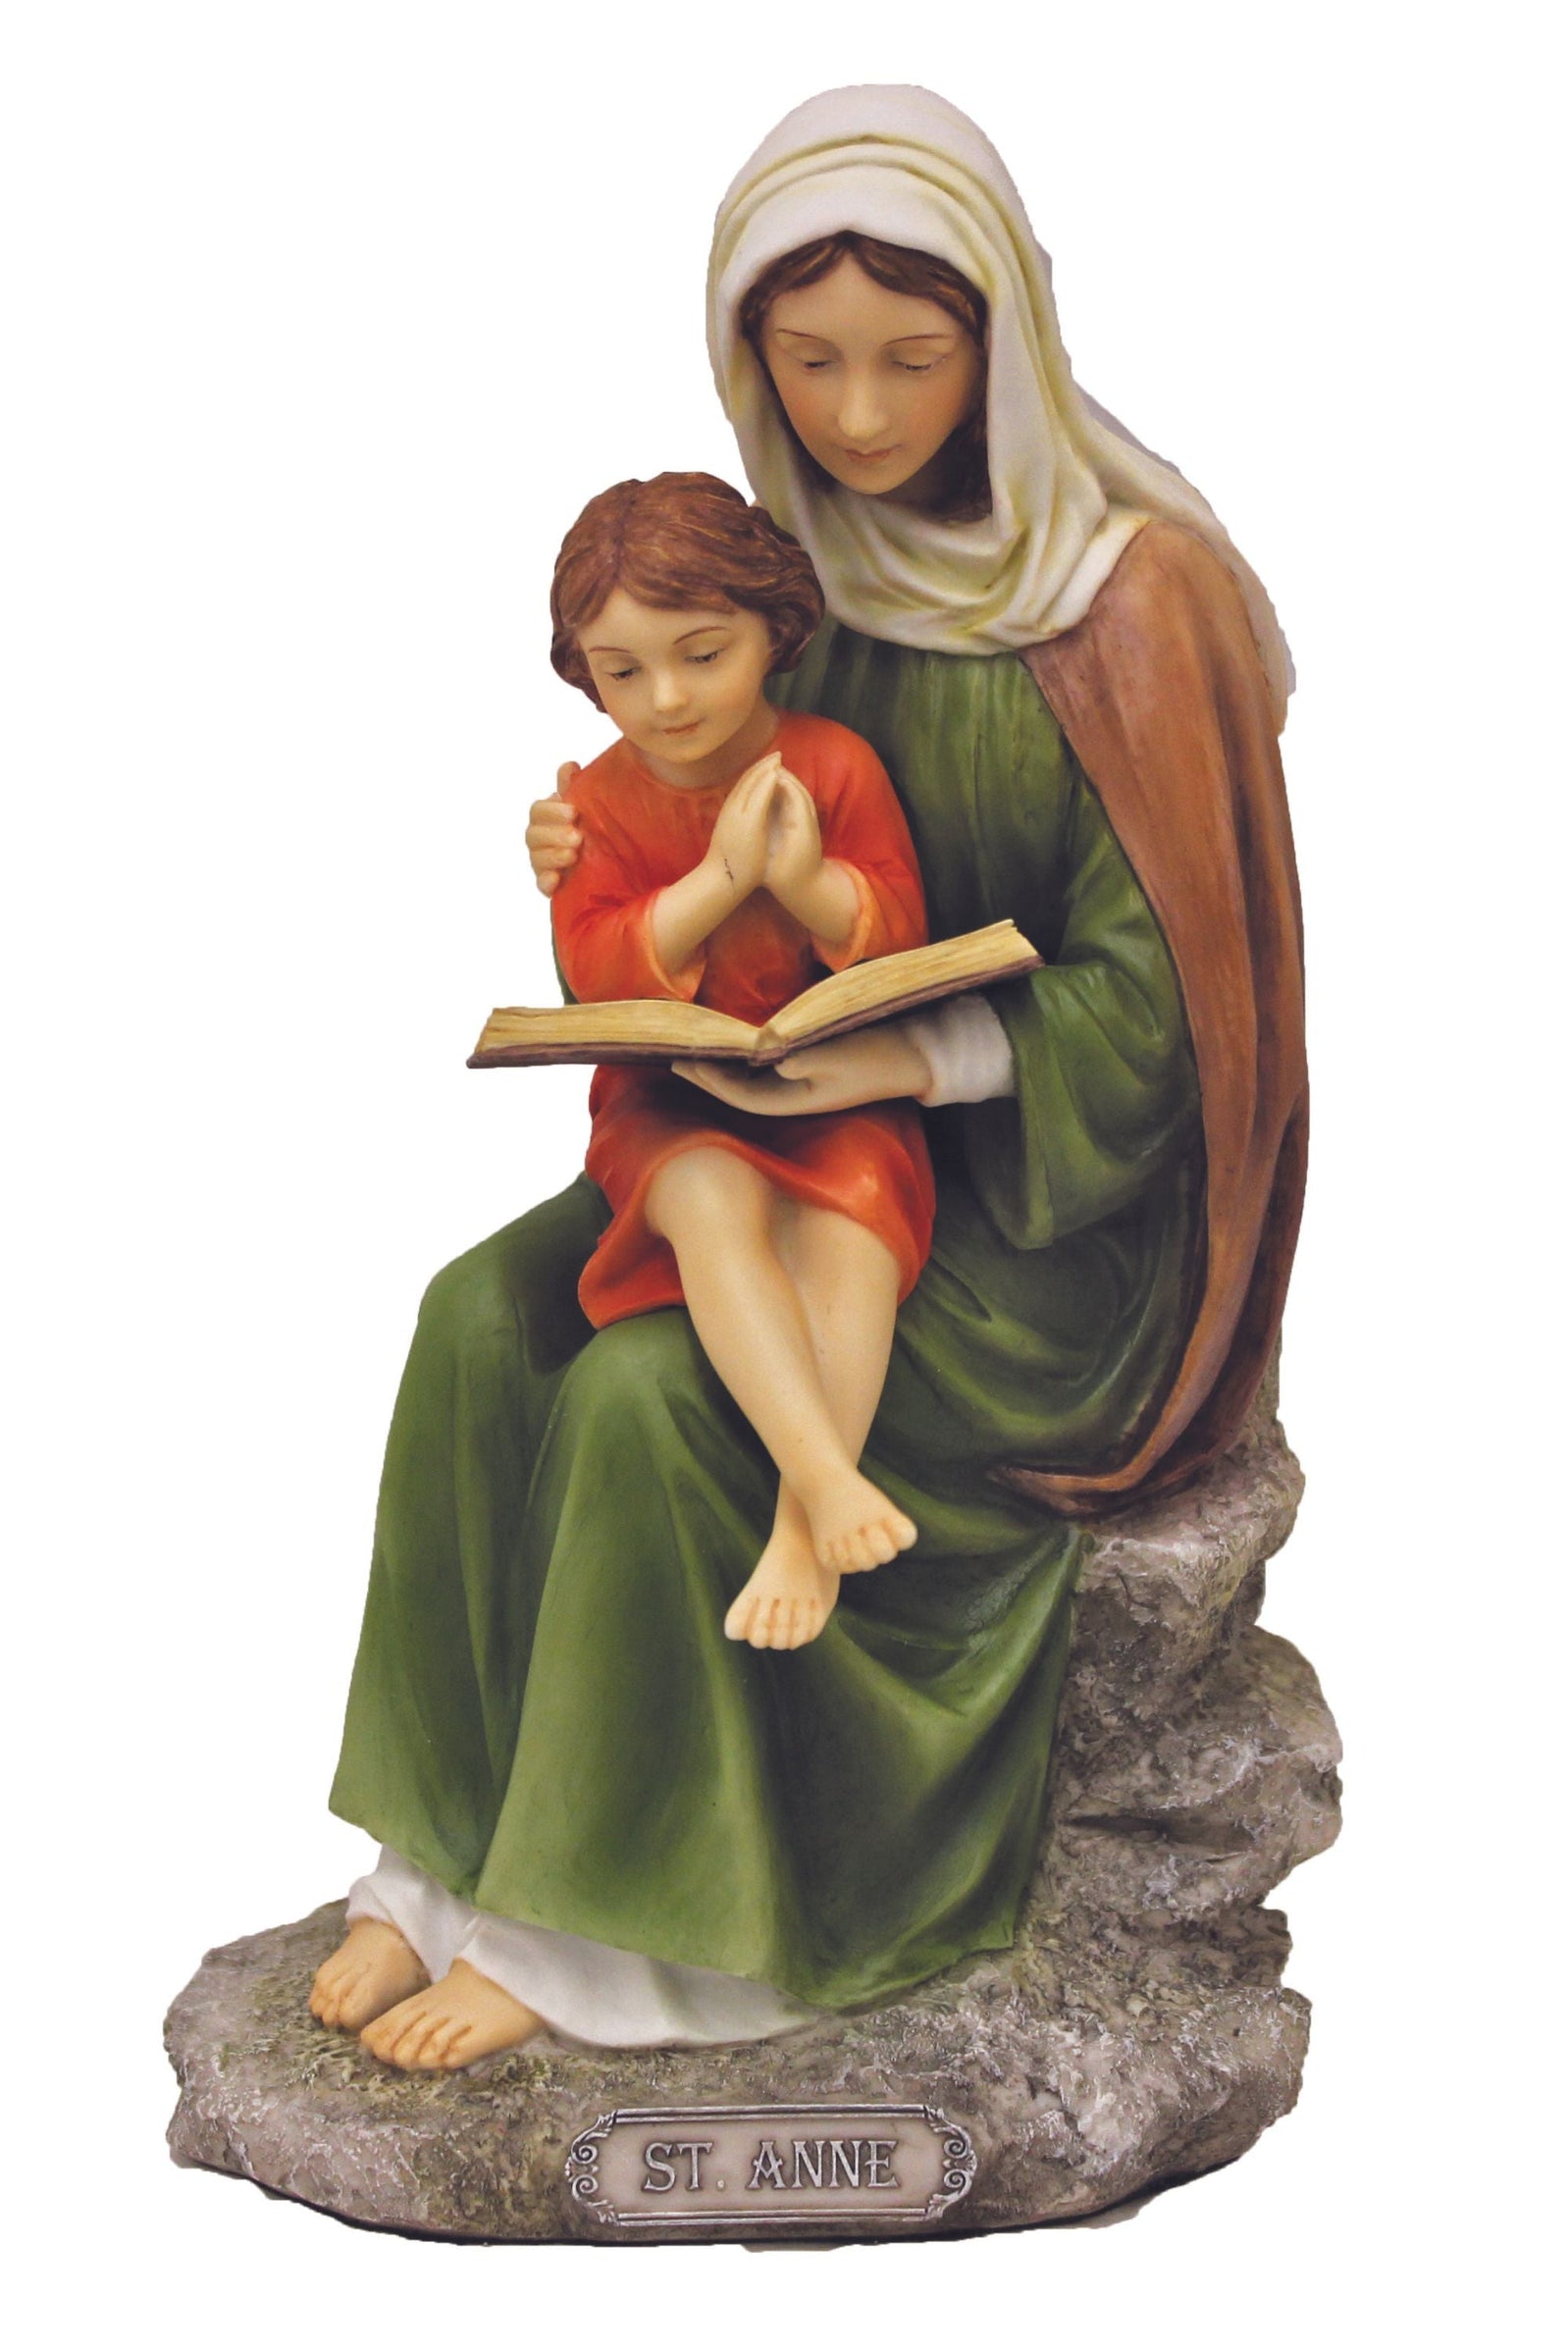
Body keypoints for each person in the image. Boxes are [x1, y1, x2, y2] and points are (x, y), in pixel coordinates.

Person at [310, 84, 1306, 2076]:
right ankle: (443, 1851)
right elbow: (677, 817)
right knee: (476, 1316)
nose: (858, 413)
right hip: (769, 1126)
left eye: (913, 358)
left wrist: (915, 1051)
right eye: (806, 357)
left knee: (644, 1395)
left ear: (1004, 333)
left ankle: (612, 1933)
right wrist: (597, 849)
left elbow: (1185, 1021)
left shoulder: (1135, 596)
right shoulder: (791, 579)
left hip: (1053, 1224)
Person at [548, 471, 933, 1647]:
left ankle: (797, 1533)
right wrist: (721, 879)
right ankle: (826, 1483)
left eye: (702, 654)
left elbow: (895, 931)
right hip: (668, 1101)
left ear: (773, 628)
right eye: (621, 672)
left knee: (851, 1228)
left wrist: (804, 882)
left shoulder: (833, 764)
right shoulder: (594, 804)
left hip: (835, 1088)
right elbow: (596, 966)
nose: (665, 699)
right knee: (710, 1197)